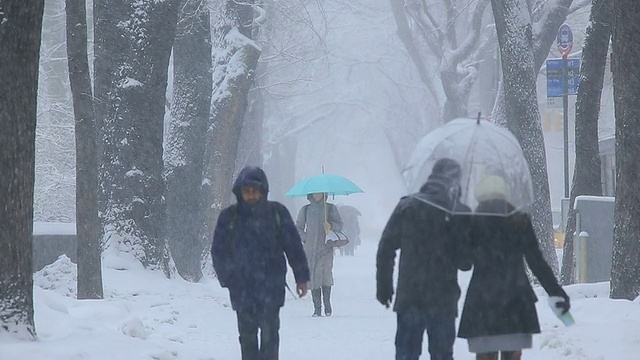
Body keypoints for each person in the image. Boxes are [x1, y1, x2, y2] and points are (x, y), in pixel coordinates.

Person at [457, 175, 571, 360]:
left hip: (482, 302)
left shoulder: (473, 223)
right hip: (516, 300)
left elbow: (464, 264)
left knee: (485, 355)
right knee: (512, 355)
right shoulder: (520, 221)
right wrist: (556, 292)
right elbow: (536, 262)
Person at [376, 158, 472, 360]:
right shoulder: (458, 213)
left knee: (406, 354)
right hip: (443, 299)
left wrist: (384, 286)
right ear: (456, 181)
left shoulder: (407, 206)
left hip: (411, 296)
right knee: (442, 355)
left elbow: (386, 247)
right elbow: (465, 263)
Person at [211, 166, 310, 360]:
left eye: (255, 190)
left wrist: (301, 278)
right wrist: (229, 279)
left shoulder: (277, 214)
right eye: (246, 191)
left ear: (263, 191)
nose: (250, 195)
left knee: (270, 337)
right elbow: (218, 252)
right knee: (247, 338)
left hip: (271, 288)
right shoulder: (229, 217)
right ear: (240, 192)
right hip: (242, 290)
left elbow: (293, 247)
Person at [296, 192, 343, 317]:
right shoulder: (305, 210)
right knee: (313, 276)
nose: (317, 195)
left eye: (320, 193)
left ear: (324, 194)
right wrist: (305, 238)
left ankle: (327, 305)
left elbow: (340, 225)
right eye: (315, 193)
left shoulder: (330, 208)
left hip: (326, 247)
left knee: (325, 274)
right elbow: (298, 227)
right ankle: (317, 308)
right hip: (310, 250)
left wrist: (331, 226)